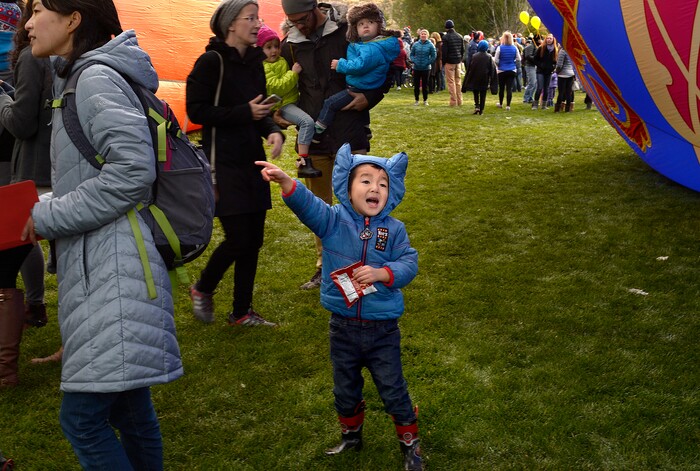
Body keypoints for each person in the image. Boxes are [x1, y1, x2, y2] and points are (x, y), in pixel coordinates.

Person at [21, 0, 184, 468]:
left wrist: (45, 218)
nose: (28, 23)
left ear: (73, 19)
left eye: (38, 11)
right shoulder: (79, 77)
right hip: (108, 265)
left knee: (83, 420)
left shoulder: (93, 80)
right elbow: (93, 178)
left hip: (114, 271)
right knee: (130, 410)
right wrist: (42, 207)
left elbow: (132, 174)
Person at [256, 143, 422, 470]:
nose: (375, 188)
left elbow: (409, 263)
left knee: (392, 388)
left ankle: (410, 446)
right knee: (344, 387)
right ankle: (351, 436)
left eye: (383, 183)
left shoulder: (395, 230)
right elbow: (309, 206)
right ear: (347, 187)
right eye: (366, 181)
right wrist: (289, 184)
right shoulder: (332, 221)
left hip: (382, 330)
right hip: (342, 327)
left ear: (392, 192)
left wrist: (383, 273)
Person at [187, 0, 283, 326]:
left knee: (253, 240)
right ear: (231, 25)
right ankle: (203, 287)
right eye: (250, 18)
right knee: (239, 238)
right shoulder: (211, 62)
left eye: (258, 17)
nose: (258, 23)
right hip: (222, 163)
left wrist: (271, 130)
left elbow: (260, 110)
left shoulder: (255, 62)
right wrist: (246, 113)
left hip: (251, 159)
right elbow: (196, 111)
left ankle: (241, 312)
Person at [280, 0, 386, 291]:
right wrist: (280, 112)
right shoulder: (288, 44)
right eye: (292, 21)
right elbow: (280, 83)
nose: (298, 25)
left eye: (302, 19)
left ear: (315, 7)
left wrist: (371, 96)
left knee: (359, 205)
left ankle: (363, 269)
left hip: (350, 132)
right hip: (314, 139)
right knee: (320, 208)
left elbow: (382, 65)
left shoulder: (347, 31)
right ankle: (324, 269)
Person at [0, 0, 53, 330]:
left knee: (17, 229)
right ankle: (33, 304)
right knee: (19, 229)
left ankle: (30, 304)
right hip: (19, 151)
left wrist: (3, 99)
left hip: (17, 149)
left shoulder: (29, 56)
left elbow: (22, 120)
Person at [312, 4, 398, 143]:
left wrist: (340, 65)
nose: (365, 26)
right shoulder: (367, 45)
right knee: (355, 107)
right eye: (361, 24)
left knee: (331, 103)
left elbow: (360, 66)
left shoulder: (371, 48)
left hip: (357, 90)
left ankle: (318, 130)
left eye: (370, 22)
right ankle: (366, 128)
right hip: (361, 87)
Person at [257, 24, 321, 178]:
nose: (273, 51)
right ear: (260, 50)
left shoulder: (280, 61)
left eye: (276, 46)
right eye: (268, 47)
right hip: (284, 105)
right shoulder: (264, 67)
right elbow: (277, 88)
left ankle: (314, 136)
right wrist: (293, 74)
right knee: (307, 122)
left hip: (294, 100)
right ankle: (303, 162)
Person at [462, 39, 496, 115]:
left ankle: (477, 106)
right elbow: (492, 69)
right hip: (484, 78)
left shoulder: (474, 56)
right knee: (483, 94)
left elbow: (470, 68)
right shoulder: (489, 57)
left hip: (475, 78)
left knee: (476, 93)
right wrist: (492, 80)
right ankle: (481, 109)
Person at [494, 31, 520, 111]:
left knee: (501, 88)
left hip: (502, 70)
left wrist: (499, 65)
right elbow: (519, 59)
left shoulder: (500, 48)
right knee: (509, 88)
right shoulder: (514, 48)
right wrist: (513, 63)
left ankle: (501, 103)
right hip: (511, 69)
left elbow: (496, 59)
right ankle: (508, 105)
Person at [409, 28, 435, 106]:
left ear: (427, 35)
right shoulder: (415, 44)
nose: (423, 35)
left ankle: (425, 100)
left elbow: (434, 56)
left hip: (426, 68)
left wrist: (428, 62)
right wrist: (414, 61)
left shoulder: (431, 45)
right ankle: (416, 100)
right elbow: (411, 54)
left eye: (425, 34)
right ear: (420, 35)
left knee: (425, 85)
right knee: (416, 85)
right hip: (416, 67)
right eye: (422, 34)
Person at [532, 33, 558, 110]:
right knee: (539, 87)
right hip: (540, 71)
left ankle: (544, 105)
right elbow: (535, 59)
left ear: (553, 40)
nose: (549, 40)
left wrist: (553, 67)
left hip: (549, 71)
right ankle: (535, 104)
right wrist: (541, 65)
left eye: (550, 38)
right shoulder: (541, 48)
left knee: (547, 88)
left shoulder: (555, 49)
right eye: (548, 38)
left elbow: (555, 61)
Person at [441, 19, 464, 106]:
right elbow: (462, 50)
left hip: (449, 62)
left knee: (451, 82)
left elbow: (445, 51)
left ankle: (453, 101)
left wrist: (444, 62)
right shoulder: (460, 36)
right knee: (458, 81)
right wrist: (460, 59)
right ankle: (460, 100)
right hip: (458, 61)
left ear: (446, 28)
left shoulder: (446, 37)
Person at [554, 46, 575, 112]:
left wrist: (556, 72)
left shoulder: (563, 51)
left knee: (561, 92)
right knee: (569, 92)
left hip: (563, 74)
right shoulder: (572, 51)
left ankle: (557, 108)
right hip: (571, 73)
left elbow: (559, 65)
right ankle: (568, 109)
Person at [521, 35, 538, 103]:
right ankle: (526, 98)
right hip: (529, 65)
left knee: (535, 83)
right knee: (532, 82)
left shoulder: (535, 46)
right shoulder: (530, 46)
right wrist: (537, 59)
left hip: (534, 65)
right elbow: (528, 56)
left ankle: (530, 97)